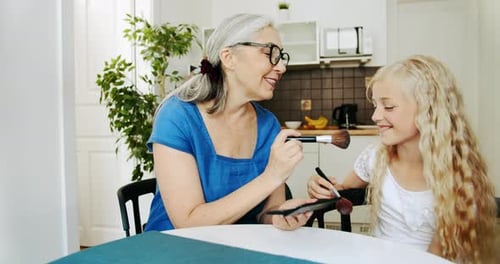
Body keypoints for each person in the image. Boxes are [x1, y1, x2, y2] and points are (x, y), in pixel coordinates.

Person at [306, 55, 497, 263]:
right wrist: (323, 188)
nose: (375, 116)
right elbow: (342, 191)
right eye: (376, 106)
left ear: (428, 112)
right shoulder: (376, 157)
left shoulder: (456, 173)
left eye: (388, 107)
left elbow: (436, 256)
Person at [144, 13, 314, 232]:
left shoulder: (268, 125)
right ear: (229, 57)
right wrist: (270, 177)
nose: (281, 67)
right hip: (175, 248)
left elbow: (267, 214)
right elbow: (187, 222)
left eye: (281, 56)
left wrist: (282, 216)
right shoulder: (177, 117)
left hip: (242, 248)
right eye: (270, 53)